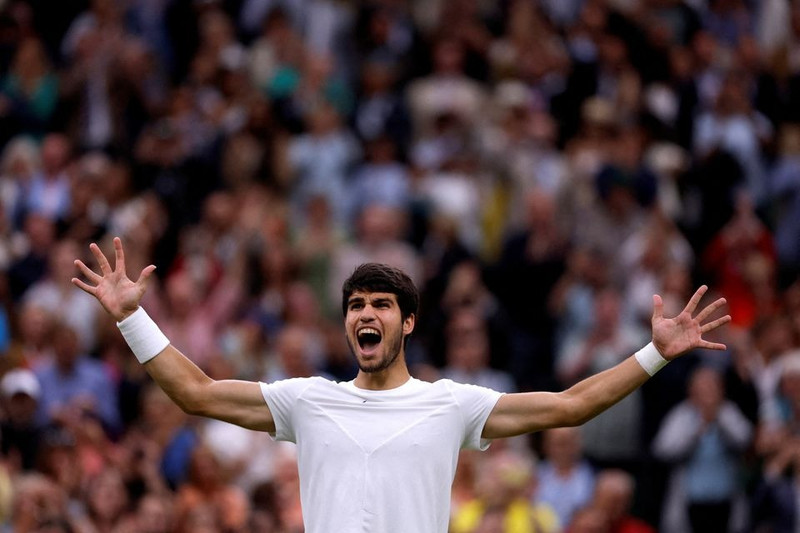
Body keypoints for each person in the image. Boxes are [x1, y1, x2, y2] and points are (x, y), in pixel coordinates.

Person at [71, 237, 731, 533]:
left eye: (381, 303)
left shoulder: (451, 404)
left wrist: (654, 352)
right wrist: (132, 315)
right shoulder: (307, 399)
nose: (366, 312)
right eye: (357, 302)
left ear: (407, 321)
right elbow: (197, 392)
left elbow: (570, 404)